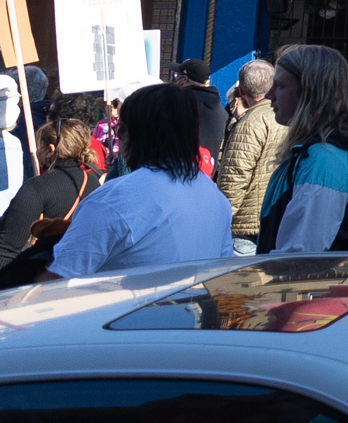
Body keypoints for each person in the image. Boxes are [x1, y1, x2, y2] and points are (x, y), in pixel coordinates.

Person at [48, 82, 233, 277]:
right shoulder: (217, 200)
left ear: (130, 134)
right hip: (194, 305)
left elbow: (57, 280)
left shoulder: (113, 200)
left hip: (124, 307)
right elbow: (222, 274)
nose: (119, 137)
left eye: (120, 130)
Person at [255, 45, 348, 254]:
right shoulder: (319, 154)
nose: (269, 95)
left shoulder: (324, 161)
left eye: (279, 86)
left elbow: (301, 256)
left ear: (308, 93)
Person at [0, 116, 97, 278]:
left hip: (41, 278)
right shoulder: (94, 182)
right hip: (79, 273)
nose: (37, 151)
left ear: (50, 149)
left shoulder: (37, 187)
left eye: (39, 146)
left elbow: (7, 248)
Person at [212, 58, 286, 256]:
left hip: (247, 230)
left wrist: (220, 222)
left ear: (241, 92)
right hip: (273, 221)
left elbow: (234, 178)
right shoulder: (287, 116)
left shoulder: (250, 123)